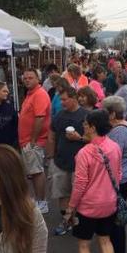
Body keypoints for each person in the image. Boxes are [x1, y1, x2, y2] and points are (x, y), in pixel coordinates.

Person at [63, 110, 122, 253]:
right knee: (105, 240)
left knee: (84, 245)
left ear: (93, 127)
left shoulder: (84, 153)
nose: (83, 126)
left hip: (88, 206)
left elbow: (79, 184)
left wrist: (70, 208)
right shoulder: (114, 147)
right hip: (109, 203)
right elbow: (118, 174)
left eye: (86, 124)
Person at [100, 96, 127, 253]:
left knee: (115, 222)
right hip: (125, 176)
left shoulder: (118, 132)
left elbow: (113, 158)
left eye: (104, 112)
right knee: (115, 220)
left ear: (112, 114)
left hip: (120, 180)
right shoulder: (121, 126)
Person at [47, 88, 89, 236]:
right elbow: (51, 137)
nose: (62, 103)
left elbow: (94, 140)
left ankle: (77, 220)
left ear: (74, 98)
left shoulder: (86, 116)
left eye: (64, 99)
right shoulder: (59, 116)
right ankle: (68, 221)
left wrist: (79, 138)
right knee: (62, 193)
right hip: (60, 162)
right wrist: (51, 158)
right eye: (61, 100)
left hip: (80, 164)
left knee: (79, 195)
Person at [18, 68, 51, 214]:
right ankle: (38, 200)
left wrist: (32, 141)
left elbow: (40, 117)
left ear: (38, 79)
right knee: (33, 171)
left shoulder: (39, 94)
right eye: (25, 78)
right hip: (27, 142)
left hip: (34, 142)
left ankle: (42, 202)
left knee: (37, 172)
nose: (27, 80)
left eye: (30, 78)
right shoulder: (30, 94)